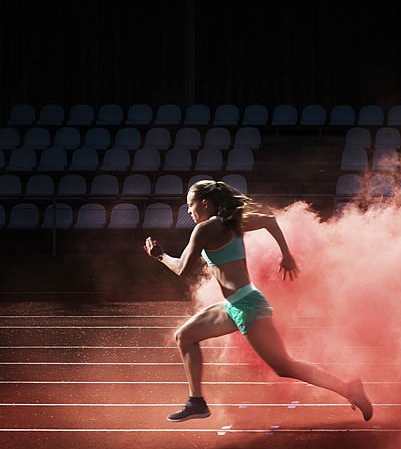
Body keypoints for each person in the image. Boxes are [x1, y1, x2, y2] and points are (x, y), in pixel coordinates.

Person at [143, 180, 372, 422]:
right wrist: (286, 255)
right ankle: (196, 402)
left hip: (247, 306)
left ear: (205, 203)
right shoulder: (233, 222)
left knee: (284, 366)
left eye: (190, 205)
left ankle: (349, 389)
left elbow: (182, 269)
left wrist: (160, 256)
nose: (188, 211)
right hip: (235, 305)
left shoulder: (205, 230)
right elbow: (269, 219)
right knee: (185, 336)